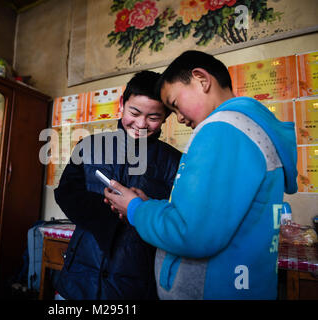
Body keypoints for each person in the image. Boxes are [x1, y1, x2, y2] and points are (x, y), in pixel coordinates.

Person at [104, 50, 298, 300]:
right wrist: (149, 205)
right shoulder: (248, 128)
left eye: (175, 105)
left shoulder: (222, 129)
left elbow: (190, 233)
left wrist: (135, 209)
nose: (181, 118)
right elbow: (207, 217)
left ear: (201, 79)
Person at [53, 71, 182, 300]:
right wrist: (108, 211)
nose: (141, 124)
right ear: (122, 104)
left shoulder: (175, 162)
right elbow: (66, 192)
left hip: (134, 285)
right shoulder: (89, 145)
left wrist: (141, 209)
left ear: (166, 117)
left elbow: (180, 218)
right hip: (79, 278)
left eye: (153, 117)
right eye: (135, 112)